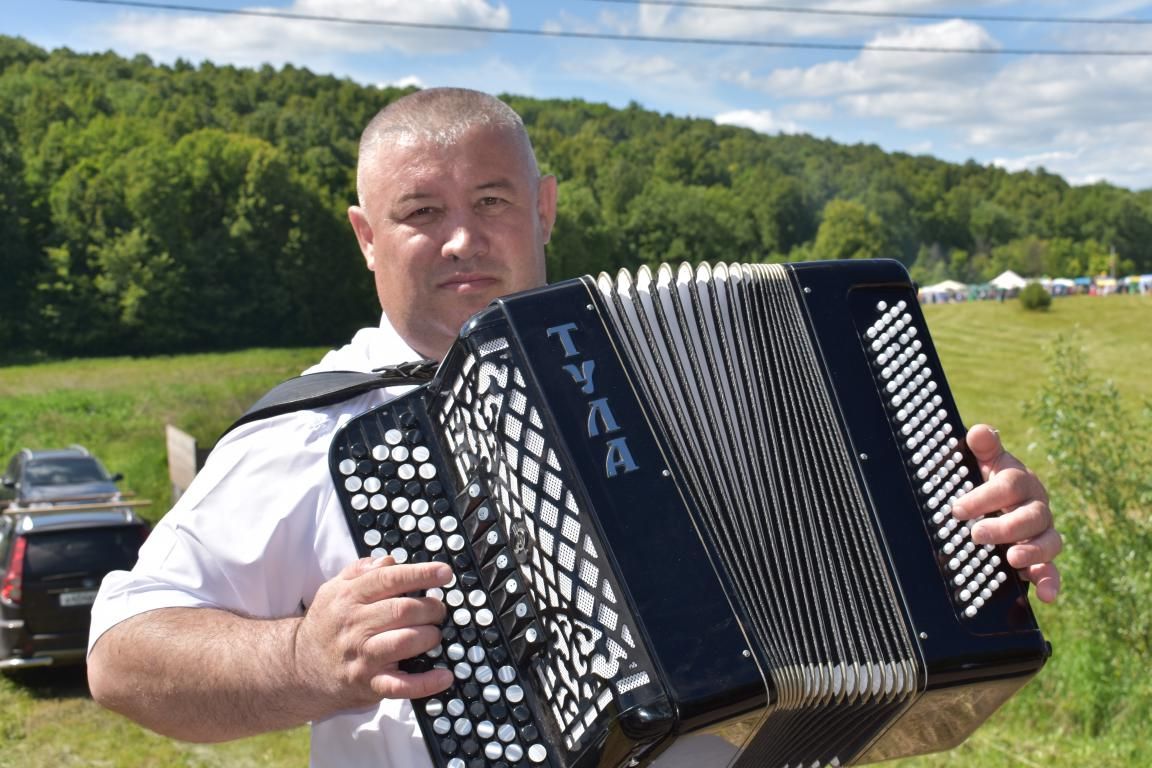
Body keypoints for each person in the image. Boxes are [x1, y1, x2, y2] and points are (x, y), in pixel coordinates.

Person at [86, 88, 1064, 766]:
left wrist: (973, 551)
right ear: (365, 237)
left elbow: (877, 643)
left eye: (493, 200)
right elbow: (123, 652)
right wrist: (301, 661)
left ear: (544, 208)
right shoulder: (317, 425)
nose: (463, 238)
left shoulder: (686, 360)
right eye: (420, 211)